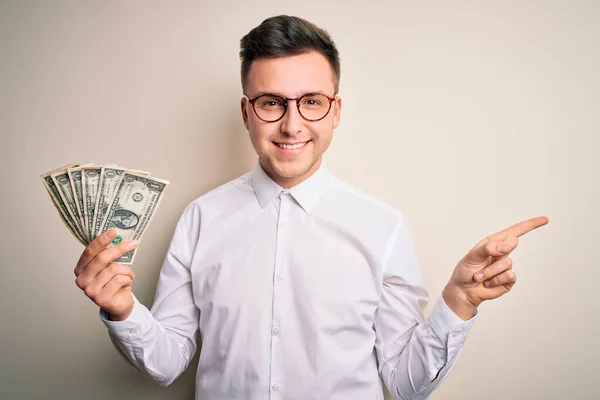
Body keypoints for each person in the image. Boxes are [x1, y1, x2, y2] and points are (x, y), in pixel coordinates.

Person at [73, 15, 548, 399]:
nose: (291, 124)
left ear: (335, 111)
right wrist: (122, 310)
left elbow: (406, 385)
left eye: (312, 102)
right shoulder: (201, 219)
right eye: (271, 103)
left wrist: (458, 303)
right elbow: (167, 364)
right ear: (246, 113)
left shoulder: (382, 227)